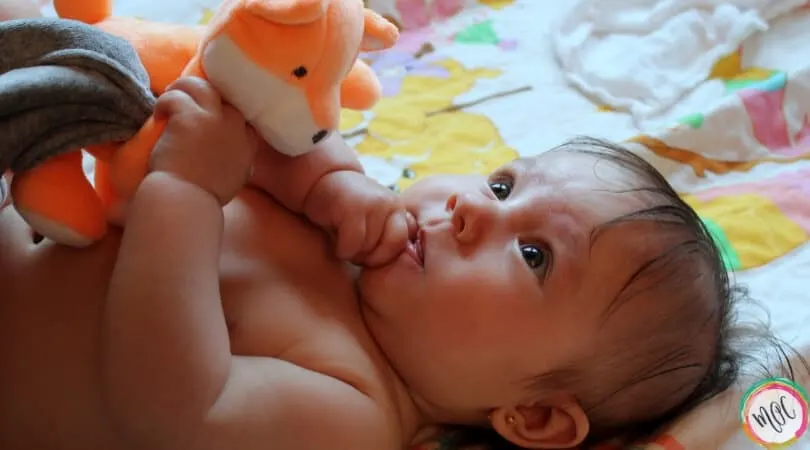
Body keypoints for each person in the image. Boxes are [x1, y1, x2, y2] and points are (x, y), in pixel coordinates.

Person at [0, 16, 800, 449]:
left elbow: (171, 404)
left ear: (537, 418)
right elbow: (276, 143)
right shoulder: (370, 233)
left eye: (533, 255)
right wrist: (331, 181)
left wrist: (184, 191)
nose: (472, 209)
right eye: (502, 182)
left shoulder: (354, 408)